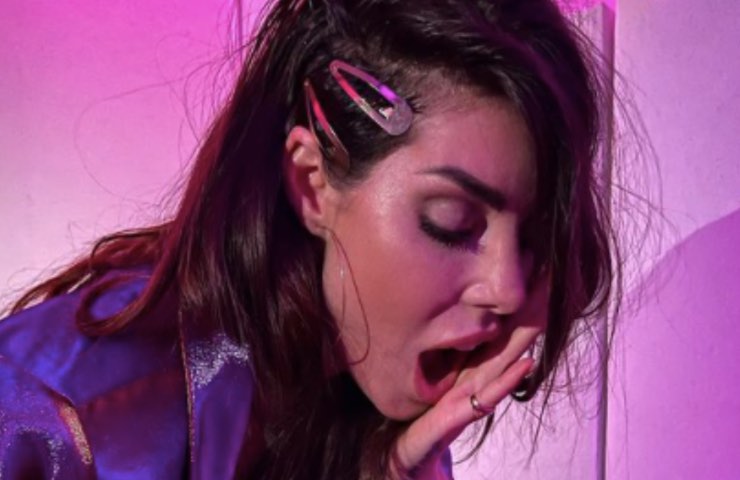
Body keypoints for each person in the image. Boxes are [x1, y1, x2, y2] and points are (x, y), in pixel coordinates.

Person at [0, 0, 617, 478]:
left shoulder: (374, 423)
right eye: (452, 223)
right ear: (312, 183)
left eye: (533, 240)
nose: (508, 288)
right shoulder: (56, 412)